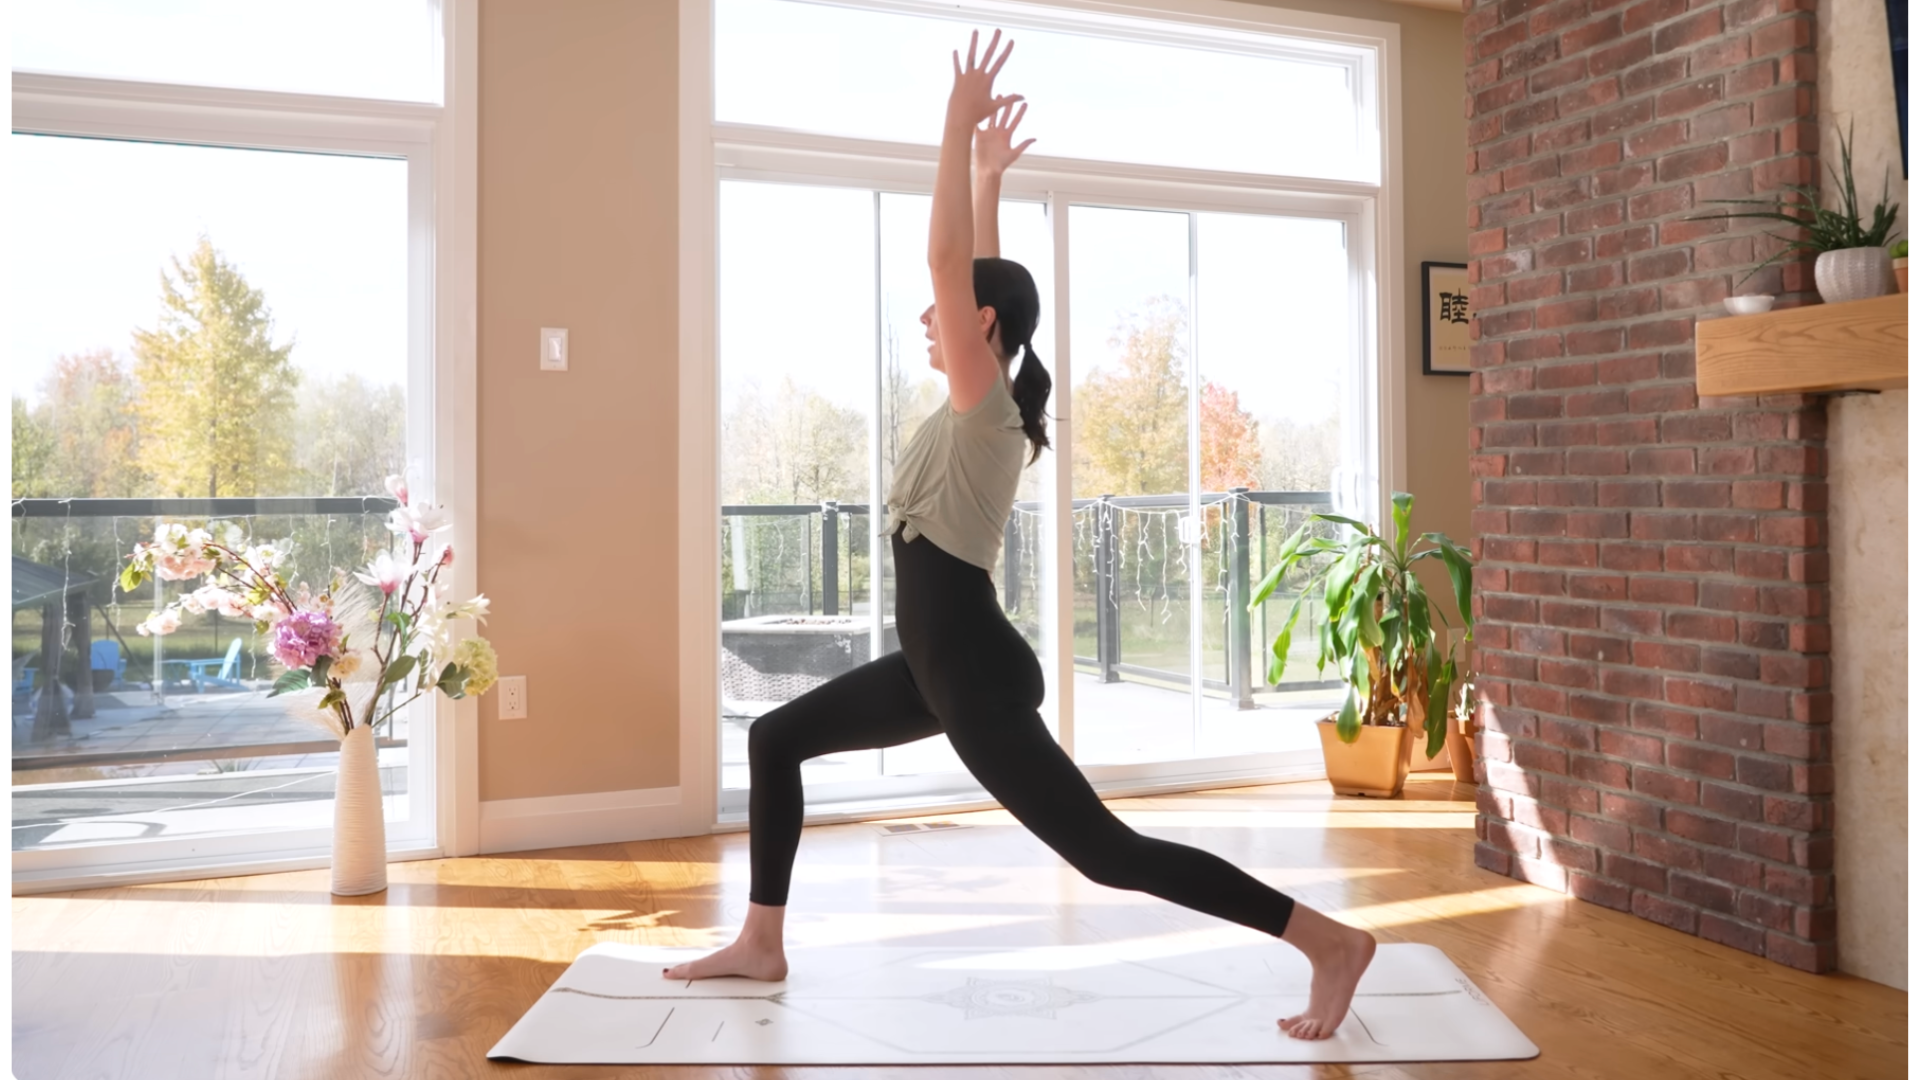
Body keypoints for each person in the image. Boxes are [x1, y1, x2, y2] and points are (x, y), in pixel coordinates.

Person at [666, 30, 1376, 1041]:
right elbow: (978, 271)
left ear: (983, 327)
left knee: (1105, 853)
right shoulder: (982, 396)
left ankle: (1327, 942)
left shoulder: (985, 398)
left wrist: (955, 129)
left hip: (972, 671)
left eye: (950, 312)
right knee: (777, 738)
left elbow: (951, 262)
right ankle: (763, 940)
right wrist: (990, 177)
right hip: (936, 659)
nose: (929, 315)